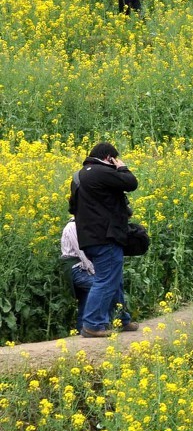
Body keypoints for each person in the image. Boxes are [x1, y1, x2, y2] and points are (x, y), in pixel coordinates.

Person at [70, 142, 139, 337]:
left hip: (88, 238)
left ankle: (122, 319)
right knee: (106, 280)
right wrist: (122, 166)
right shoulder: (101, 171)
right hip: (105, 237)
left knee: (113, 280)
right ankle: (92, 324)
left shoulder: (78, 176)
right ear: (109, 157)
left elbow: (73, 208)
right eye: (114, 159)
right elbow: (131, 183)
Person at [60, 217, 95, 333]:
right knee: (97, 287)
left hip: (80, 266)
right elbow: (80, 251)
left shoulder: (80, 225)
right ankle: (93, 324)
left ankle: (82, 327)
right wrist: (92, 270)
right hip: (75, 268)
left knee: (86, 295)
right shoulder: (72, 227)